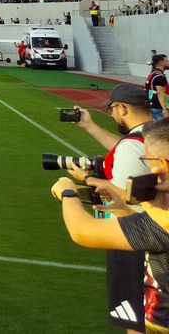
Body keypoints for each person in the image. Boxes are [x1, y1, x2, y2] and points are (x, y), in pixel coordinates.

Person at [52, 115, 169, 333]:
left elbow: (82, 231)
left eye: (148, 161)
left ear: (161, 165)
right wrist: (125, 211)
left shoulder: (162, 223)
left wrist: (67, 192)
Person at [67, 83, 154, 331]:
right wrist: (90, 127)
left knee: (137, 319)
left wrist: (84, 180)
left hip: (132, 238)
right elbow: (127, 147)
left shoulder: (132, 144)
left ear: (123, 108)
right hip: (156, 232)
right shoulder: (157, 133)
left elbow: (123, 193)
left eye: (113, 109)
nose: (113, 115)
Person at [149, 55, 169, 122]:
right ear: (161, 62)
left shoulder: (153, 73)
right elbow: (160, 93)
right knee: (162, 130)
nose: (168, 63)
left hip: (152, 105)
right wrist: (165, 109)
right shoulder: (160, 76)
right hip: (158, 108)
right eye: (167, 61)